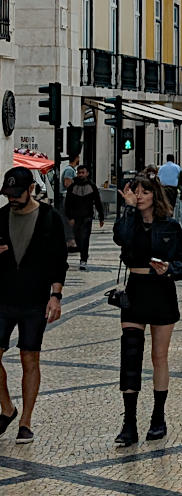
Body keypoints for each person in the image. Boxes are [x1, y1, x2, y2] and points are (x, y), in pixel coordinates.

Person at [112, 175, 182, 446]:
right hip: (135, 290)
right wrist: (127, 209)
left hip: (160, 290)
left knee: (159, 356)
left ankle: (158, 417)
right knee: (131, 353)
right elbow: (121, 240)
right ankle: (129, 423)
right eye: (135, 191)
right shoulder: (128, 221)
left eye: (145, 192)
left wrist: (171, 268)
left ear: (154, 195)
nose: (139, 196)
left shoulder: (170, 225)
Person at [0, 166, 67, 443]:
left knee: (29, 356)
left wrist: (56, 296)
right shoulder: (1, 217)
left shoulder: (49, 218)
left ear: (30, 190)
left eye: (17, 194)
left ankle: (25, 421)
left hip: (35, 299)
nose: (12, 199)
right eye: (8, 194)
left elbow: (59, 259)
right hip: (3, 297)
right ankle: (7, 409)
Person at [63, 162, 105, 270]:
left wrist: (101, 216)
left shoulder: (92, 186)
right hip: (76, 217)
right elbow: (68, 203)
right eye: (79, 172)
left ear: (87, 173)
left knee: (85, 237)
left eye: (83, 172)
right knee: (77, 238)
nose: (81, 175)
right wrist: (70, 217)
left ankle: (83, 259)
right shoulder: (72, 187)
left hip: (87, 216)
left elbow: (97, 201)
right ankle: (82, 255)